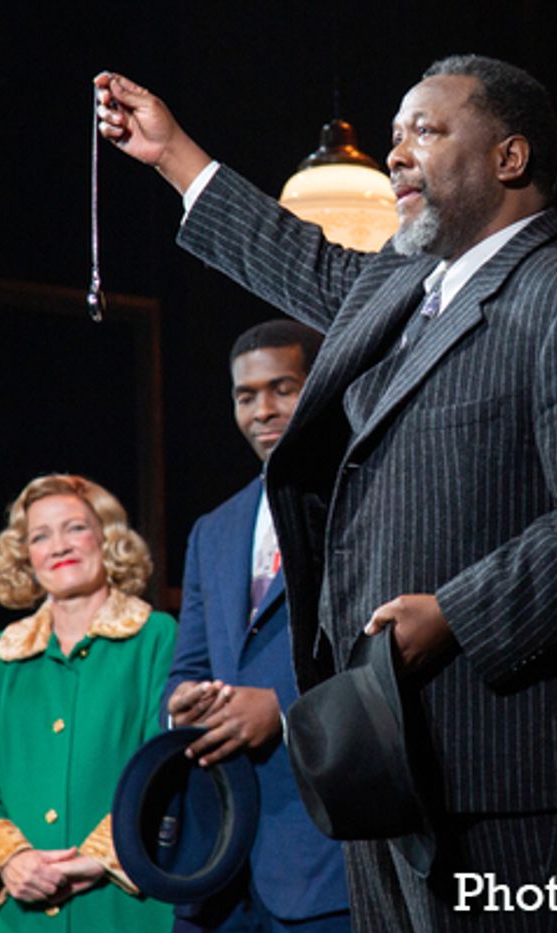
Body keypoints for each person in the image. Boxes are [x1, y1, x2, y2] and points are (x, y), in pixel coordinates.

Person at [96, 54, 557, 931]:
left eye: (427, 130)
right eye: (393, 137)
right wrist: (174, 156)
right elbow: (297, 259)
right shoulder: (406, 285)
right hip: (393, 746)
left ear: (510, 157)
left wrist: (455, 613)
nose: (397, 155)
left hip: (518, 754)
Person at [165, 319, 350, 931]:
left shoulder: (363, 503)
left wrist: (283, 708)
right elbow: (189, 667)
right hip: (219, 858)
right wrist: (183, 706)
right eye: (246, 396)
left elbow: (388, 654)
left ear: (319, 388)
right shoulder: (214, 529)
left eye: (282, 388)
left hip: (325, 855)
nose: (262, 411)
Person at [0, 475, 176, 931]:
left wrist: (100, 856)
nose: (58, 546)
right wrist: (10, 857)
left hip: (121, 907)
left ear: (107, 540)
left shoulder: (157, 638)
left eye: (75, 528)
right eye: (40, 536)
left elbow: (167, 762)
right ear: (25, 557)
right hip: (12, 912)